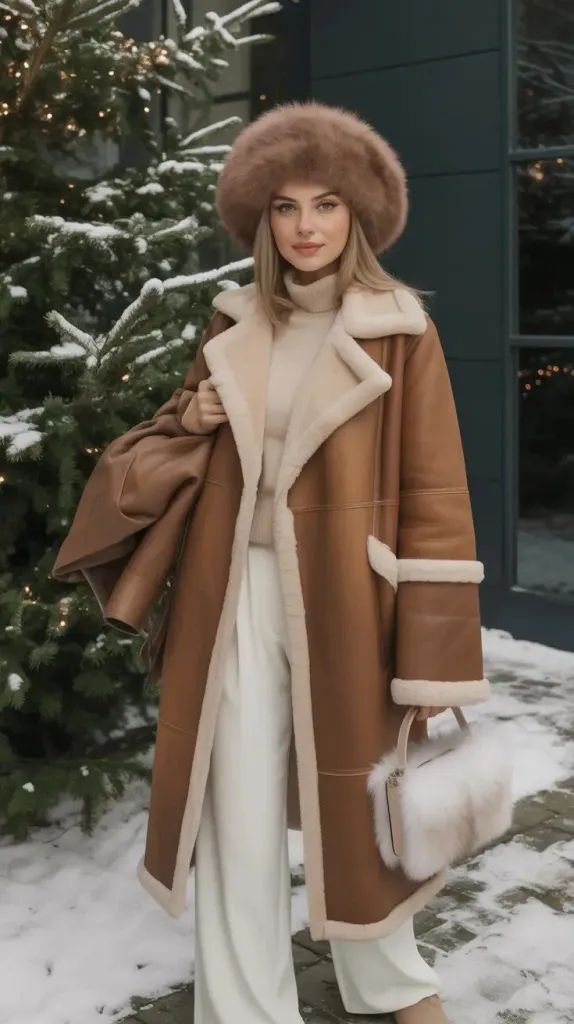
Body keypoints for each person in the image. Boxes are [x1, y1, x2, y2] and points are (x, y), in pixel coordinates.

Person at [52, 100, 490, 1024]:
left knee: (364, 794)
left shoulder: (401, 329)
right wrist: (195, 415)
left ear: (357, 214)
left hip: (353, 594)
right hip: (236, 592)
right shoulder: (230, 322)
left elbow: (437, 496)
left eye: (326, 204)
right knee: (237, 803)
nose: (305, 226)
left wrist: (431, 656)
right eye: (286, 207)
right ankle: (246, 1007)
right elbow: (168, 444)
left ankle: (391, 981)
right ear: (263, 219)